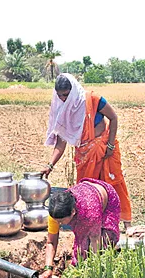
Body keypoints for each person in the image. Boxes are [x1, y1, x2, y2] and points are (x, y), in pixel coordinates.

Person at [41, 73, 132, 231]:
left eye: (66, 95)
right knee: (87, 191)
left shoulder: (93, 100)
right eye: (60, 95)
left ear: (73, 90)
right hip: (84, 154)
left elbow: (114, 118)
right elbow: (60, 143)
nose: (63, 99)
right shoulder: (63, 111)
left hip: (104, 150)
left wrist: (110, 145)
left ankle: (126, 225)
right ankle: (93, 225)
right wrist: (50, 165)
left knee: (114, 184)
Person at [40, 178, 120, 278]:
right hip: (86, 196)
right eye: (57, 221)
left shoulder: (90, 212)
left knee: (105, 245)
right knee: (81, 250)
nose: (59, 224)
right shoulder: (56, 213)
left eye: (62, 221)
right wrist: (48, 268)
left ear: (73, 212)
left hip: (106, 200)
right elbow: (51, 241)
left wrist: (94, 271)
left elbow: (95, 240)